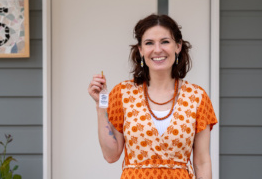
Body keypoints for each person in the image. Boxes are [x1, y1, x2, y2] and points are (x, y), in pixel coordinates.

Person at [88, 14, 218, 179]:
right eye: (149, 43)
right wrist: (101, 106)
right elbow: (111, 155)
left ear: (178, 47)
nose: (157, 49)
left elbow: (202, 161)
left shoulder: (197, 97)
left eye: (165, 41)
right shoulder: (123, 93)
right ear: (141, 50)